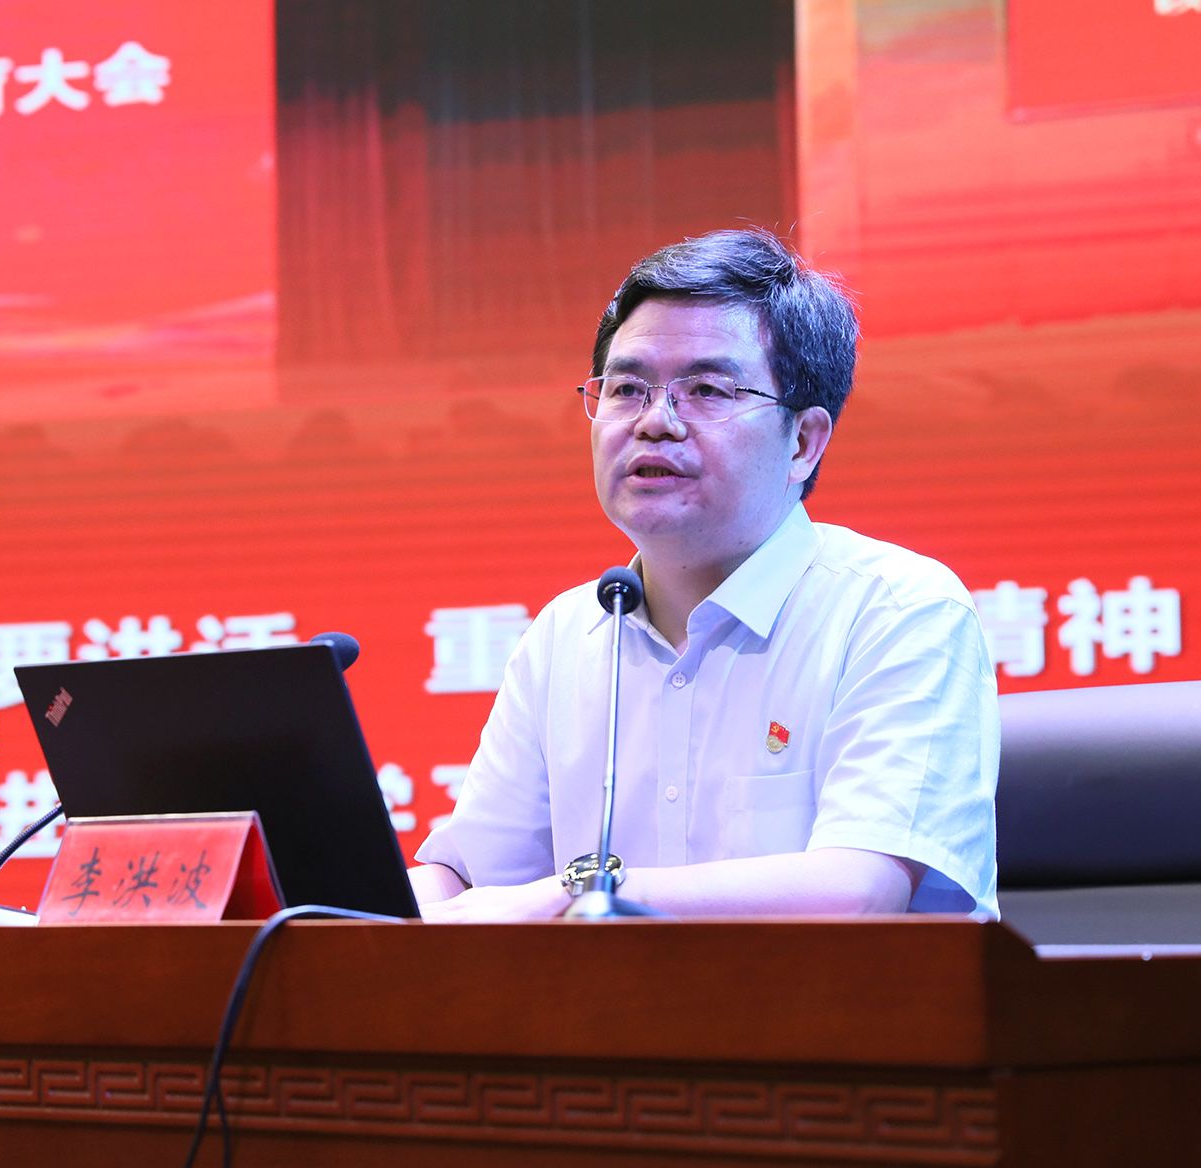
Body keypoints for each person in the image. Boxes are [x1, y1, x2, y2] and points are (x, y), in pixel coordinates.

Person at [411, 228, 997, 922]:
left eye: (708, 390)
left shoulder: (897, 611)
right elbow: (465, 878)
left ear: (803, 441)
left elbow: (859, 894)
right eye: (626, 389)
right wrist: (345, 908)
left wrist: (589, 894)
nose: (655, 423)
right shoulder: (569, 634)